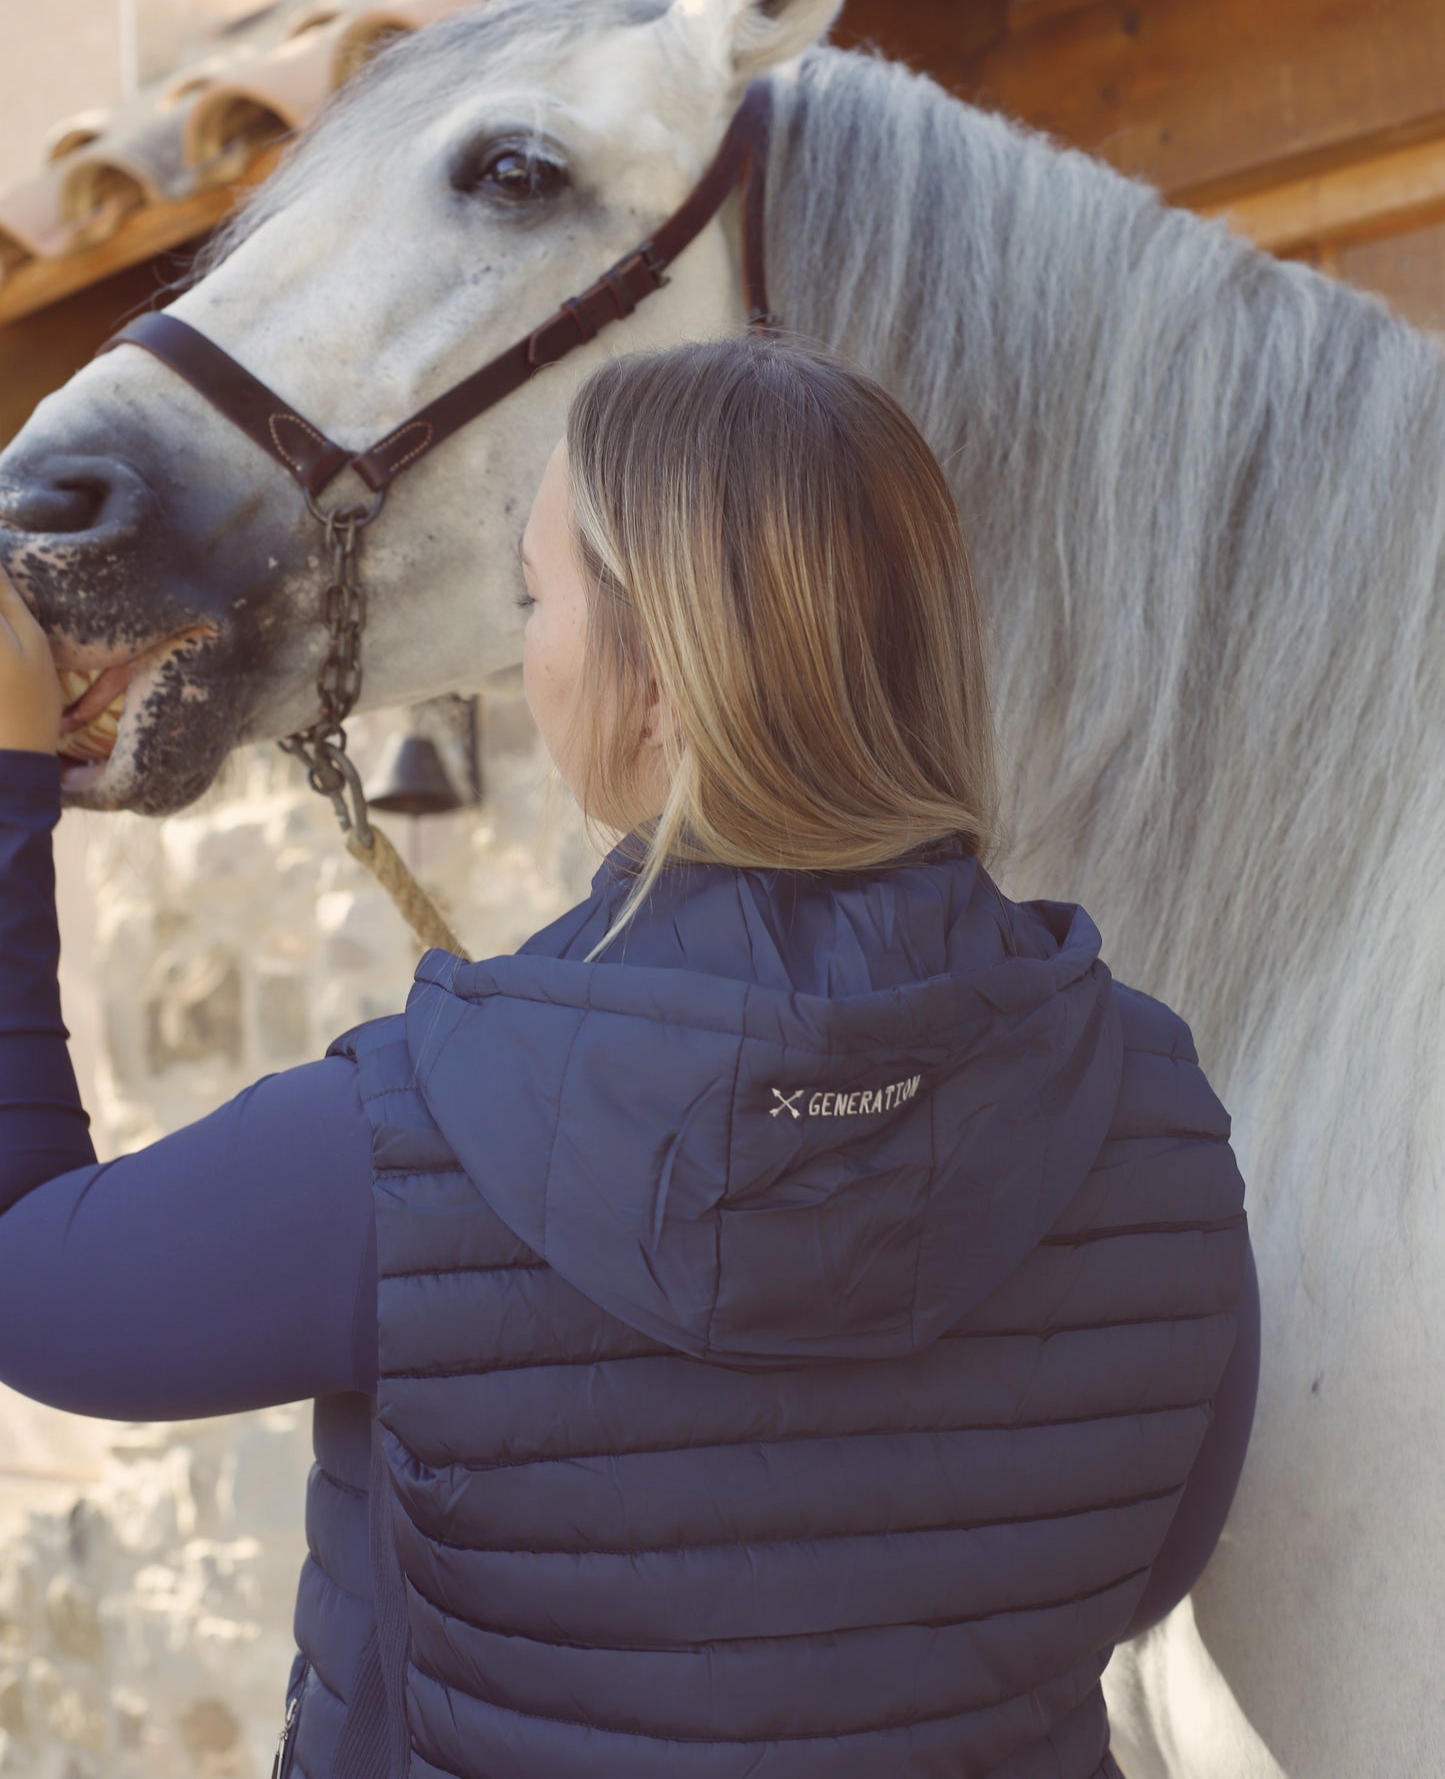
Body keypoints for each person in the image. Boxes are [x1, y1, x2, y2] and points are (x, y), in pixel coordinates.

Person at [0, 331, 1257, 1779]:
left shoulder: (414, 1135)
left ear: (656, 679)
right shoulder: (1152, 1100)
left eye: (539, 597)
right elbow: (1144, 1561)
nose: (529, 650)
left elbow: (34, 1289)